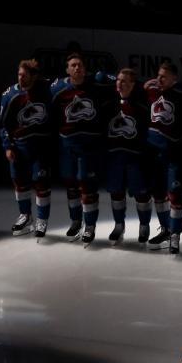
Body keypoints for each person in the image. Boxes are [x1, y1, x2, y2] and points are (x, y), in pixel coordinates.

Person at [50, 53, 113, 244]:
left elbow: (121, 80)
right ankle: (76, 221)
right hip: (68, 145)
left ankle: (90, 226)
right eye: (73, 65)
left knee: (87, 185)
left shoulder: (97, 83)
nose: (77, 68)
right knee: (71, 185)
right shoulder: (58, 89)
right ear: (67, 70)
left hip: (90, 146)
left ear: (85, 69)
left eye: (80, 65)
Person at [144, 62, 182, 254]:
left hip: (175, 153)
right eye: (158, 75)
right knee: (158, 192)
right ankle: (165, 229)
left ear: (174, 78)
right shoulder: (151, 90)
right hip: (154, 153)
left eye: (164, 76)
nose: (159, 79)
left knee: (175, 194)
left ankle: (175, 235)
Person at [0, 59, 54, 237]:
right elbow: (3, 125)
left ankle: (42, 220)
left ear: (34, 76)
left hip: (41, 148)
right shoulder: (10, 95)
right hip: (19, 147)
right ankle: (25, 216)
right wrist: (8, 146)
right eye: (19, 75)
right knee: (20, 183)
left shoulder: (47, 89)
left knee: (41, 183)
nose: (20, 78)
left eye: (25, 75)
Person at [103, 68, 153, 245]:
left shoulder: (141, 107)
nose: (120, 83)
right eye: (118, 80)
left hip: (135, 158)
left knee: (141, 193)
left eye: (124, 81)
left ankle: (144, 225)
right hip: (114, 157)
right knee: (116, 192)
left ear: (132, 84)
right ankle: (119, 225)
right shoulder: (109, 105)